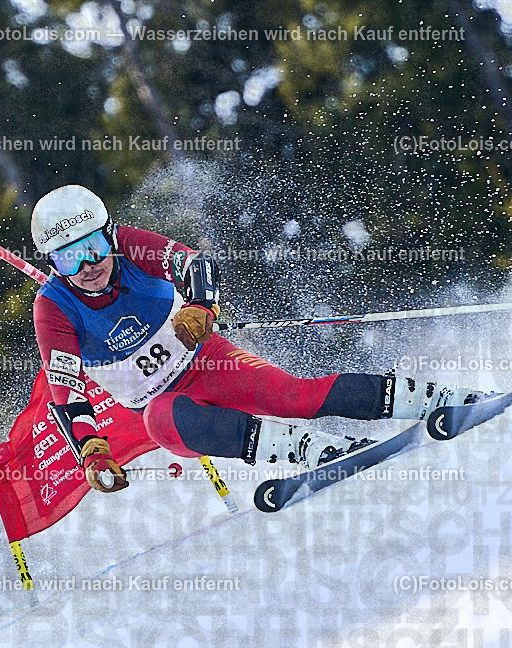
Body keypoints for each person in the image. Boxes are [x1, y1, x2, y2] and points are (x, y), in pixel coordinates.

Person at [32, 185, 486, 493]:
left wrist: (200, 306)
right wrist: (91, 449)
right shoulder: (53, 307)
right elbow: (65, 388)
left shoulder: (131, 245)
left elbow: (196, 266)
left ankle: (439, 397)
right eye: (69, 258)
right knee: (158, 418)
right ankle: (316, 450)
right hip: (169, 409)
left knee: (296, 398)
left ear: (109, 234)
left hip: (209, 362)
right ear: (52, 263)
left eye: (92, 246)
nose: (87, 265)